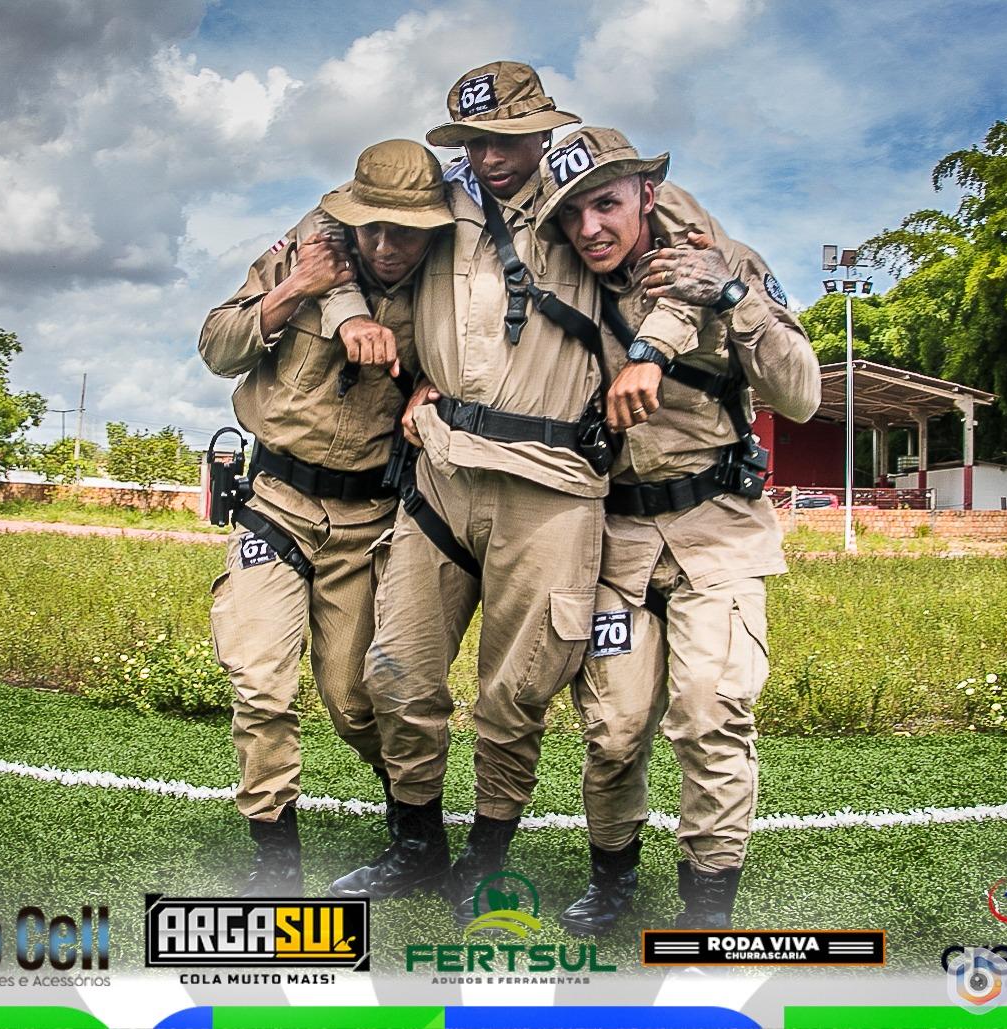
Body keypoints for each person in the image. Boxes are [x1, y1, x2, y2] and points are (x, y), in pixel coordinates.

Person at [330, 61, 624, 922]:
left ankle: (486, 855)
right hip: (443, 469)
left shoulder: (583, 199)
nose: (490, 157)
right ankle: (415, 843)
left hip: (552, 485)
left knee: (516, 690)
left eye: (506, 139)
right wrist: (351, 312)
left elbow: (663, 218)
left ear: (544, 129)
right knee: (396, 670)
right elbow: (332, 230)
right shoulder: (439, 200)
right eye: (473, 141)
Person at [533, 127, 821, 933]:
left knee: (708, 712)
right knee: (613, 728)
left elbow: (801, 395)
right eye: (572, 214)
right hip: (617, 541)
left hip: (716, 530)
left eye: (606, 203)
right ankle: (612, 880)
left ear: (646, 195)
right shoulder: (566, 285)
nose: (590, 226)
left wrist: (730, 293)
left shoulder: (724, 261)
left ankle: (706, 908)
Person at [198, 139, 454, 895]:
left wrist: (434, 391)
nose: (387, 245)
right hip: (275, 503)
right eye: (373, 228)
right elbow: (217, 346)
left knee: (356, 700)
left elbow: (481, 369)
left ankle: (415, 828)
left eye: (406, 231)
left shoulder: (448, 291)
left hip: (369, 516)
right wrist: (294, 290)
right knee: (261, 681)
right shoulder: (307, 256)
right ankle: (276, 857)